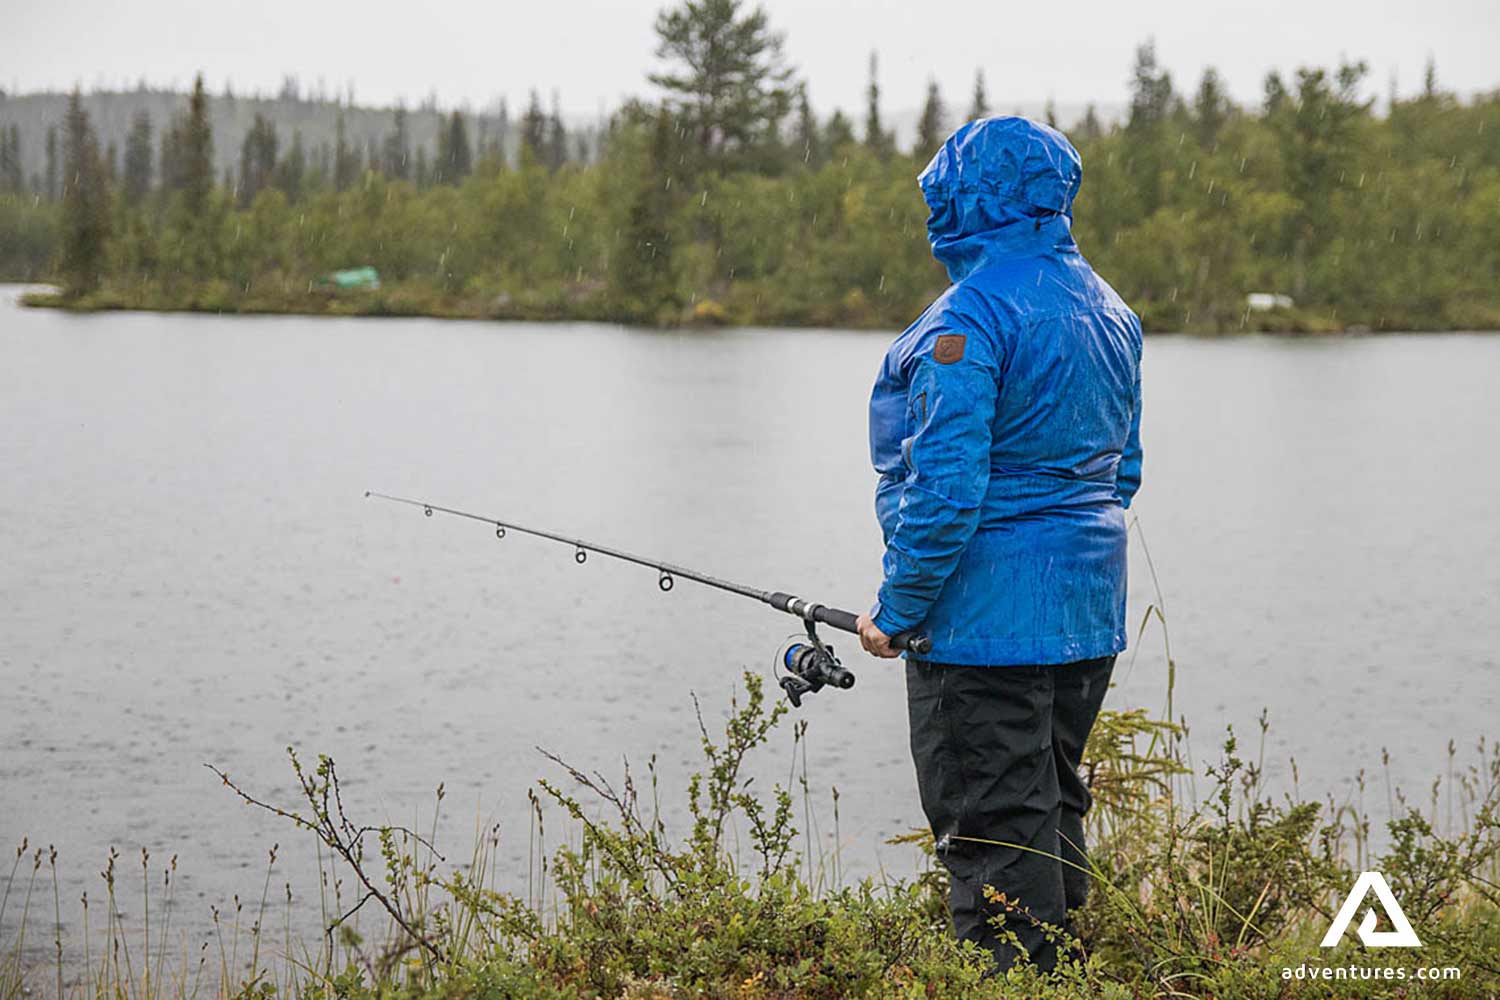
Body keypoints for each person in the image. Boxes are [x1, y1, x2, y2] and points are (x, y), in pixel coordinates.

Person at [854, 116, 1143, 973]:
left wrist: (897, 609)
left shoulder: (970, 318)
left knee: (990, 833)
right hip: (1086, 619)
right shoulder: (1110, 311)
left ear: (965, 198)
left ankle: (1024, 981)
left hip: (984, 629)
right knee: (1046, 811)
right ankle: (1065, 971)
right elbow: (1120, 473)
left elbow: (944, 491)